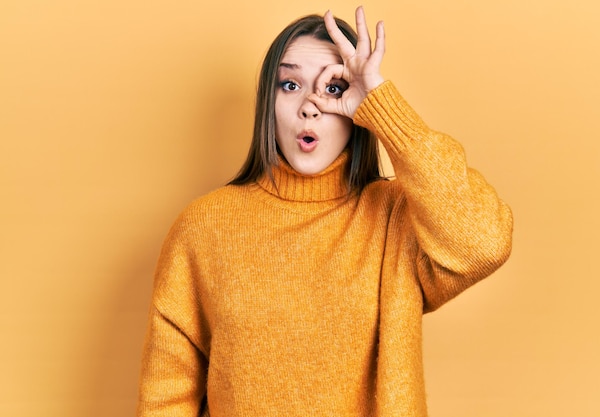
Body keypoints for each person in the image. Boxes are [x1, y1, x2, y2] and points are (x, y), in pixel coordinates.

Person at [136, 6, 513, 417]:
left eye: (333, 89)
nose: (309, 106)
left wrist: (381, 104)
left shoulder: (395, 221)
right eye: (290, 84)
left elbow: (484, 242)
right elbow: (166, 396)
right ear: (268, 101)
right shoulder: (203, 228)